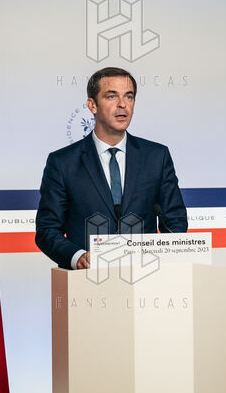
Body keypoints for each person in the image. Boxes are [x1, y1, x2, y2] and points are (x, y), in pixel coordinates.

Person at [35, 67, 187, 269]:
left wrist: (166, 260)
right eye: (112, 96)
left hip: (146, 277)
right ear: (92, 105)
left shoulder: (157, 157)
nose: (122, 104)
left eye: (129, 96)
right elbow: (47, 230)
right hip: (87, 280)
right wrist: (77, 257)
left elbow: (175, 220)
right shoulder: (62, 163)